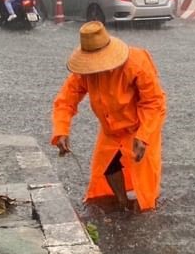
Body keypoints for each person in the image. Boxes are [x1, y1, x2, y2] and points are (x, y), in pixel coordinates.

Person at [51, 21, 167, 212]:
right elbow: (65, 101)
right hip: (110, 130)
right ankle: (122, 202)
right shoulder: (85, 72)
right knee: (108, 165)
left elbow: (154, 102)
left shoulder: (136, 63)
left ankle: (144, 213)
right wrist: (61, 131)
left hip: (140, 127)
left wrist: (144, 136)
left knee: (145, 186)